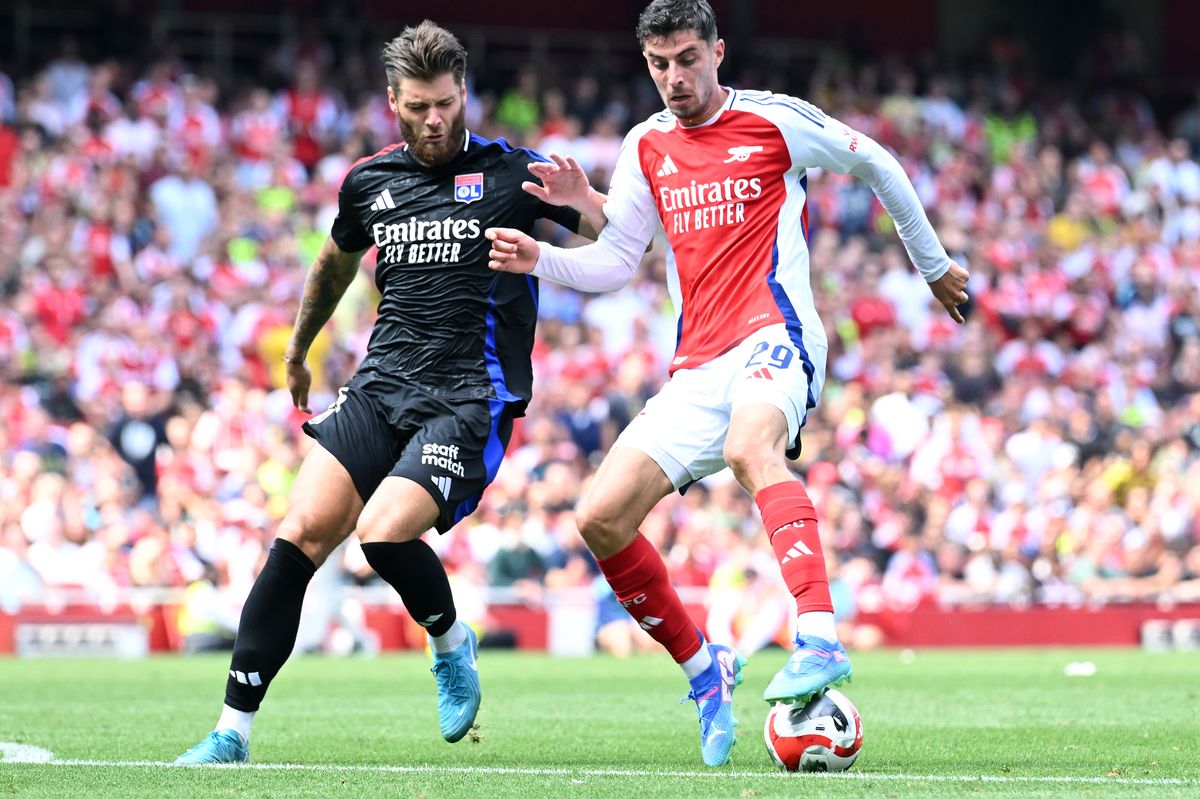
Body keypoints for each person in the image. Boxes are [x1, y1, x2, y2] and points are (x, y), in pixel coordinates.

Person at [486, 0, 969, 767]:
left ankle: (818, 635)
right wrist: (540, 257)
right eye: (658, 64)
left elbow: (876, 160)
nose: (673, 77)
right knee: (599, 517)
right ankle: (705, 670)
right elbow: (617, 261)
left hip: (775, 335)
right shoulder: (645, 145)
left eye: (686, 59)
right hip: (697, 365)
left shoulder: (775, 121)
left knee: (753, 447)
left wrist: (934, 264)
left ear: (718, 51)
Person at [175, 20, 606, 765]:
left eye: (444, 103)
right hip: (380, 386)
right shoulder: (369, 181)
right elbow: (334, 264)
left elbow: (621, 243)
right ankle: (230, 732)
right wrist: (303, 348)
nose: (434, 119)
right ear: (393, 102)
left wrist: (589, 202)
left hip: (470, 396)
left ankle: (449, 641)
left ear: (463, 91)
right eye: (417, 107)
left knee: (380, 534)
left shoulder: (514, 172)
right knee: (299, 533)